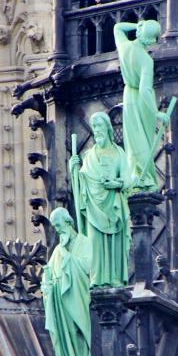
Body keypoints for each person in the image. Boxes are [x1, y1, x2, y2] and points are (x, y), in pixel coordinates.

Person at [69, 112, 131, 288]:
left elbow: (128, 179)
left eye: (99, 126)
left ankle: (115, 278)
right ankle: (96, 279)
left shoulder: (119, 153)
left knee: (114, 245)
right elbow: (82, 182)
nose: (96, 130)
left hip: (113, 205)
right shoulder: (89, 155)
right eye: (94, 127)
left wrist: (115, 184)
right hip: (93, 208)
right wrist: (74, 168)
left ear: (108, 128)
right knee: (95, 244)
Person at [114, 18, 171, 192]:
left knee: (132, 140)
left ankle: (136, 174)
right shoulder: (146, 60)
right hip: (140, 101)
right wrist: (156, 112)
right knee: (143, 140)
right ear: (152, 40)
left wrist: (137, 25)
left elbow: (118, 27)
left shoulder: (124, 47)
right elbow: (145, 89)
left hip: (128, 96)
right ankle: (145, 178)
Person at [40, 208, 93, 356]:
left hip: (78, 299)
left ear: (69, 221)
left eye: (59, 225)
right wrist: (46, 284)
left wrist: (67, 257)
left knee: (77, 335)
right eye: (54, 227)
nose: (57, 230)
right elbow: (50, 275)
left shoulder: (84, 243)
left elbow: (87, 267)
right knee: (64, 339)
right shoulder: (56, 251)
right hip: (60, 304)